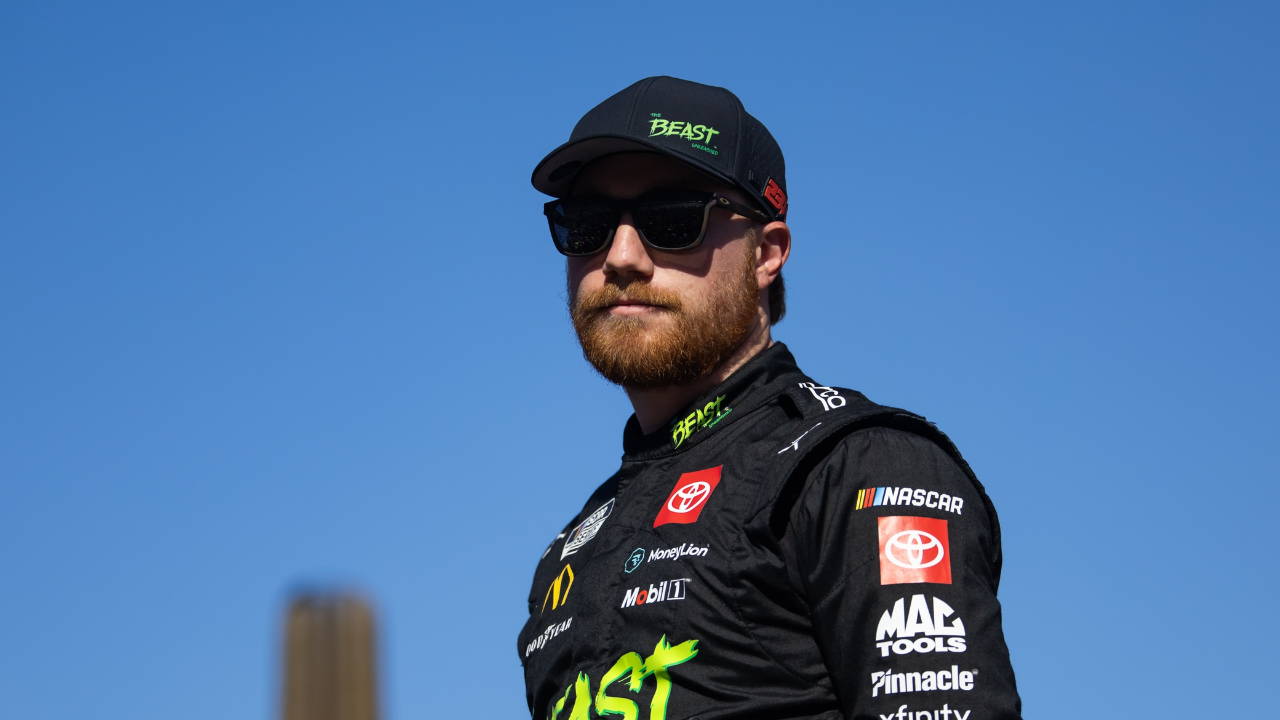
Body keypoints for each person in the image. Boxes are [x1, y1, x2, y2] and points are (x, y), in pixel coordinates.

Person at [519, 76, 1021, 720]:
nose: (621, 256)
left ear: (767, 254)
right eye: (584, 223)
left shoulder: (857, 467)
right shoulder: (570, 552)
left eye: (673, 220)